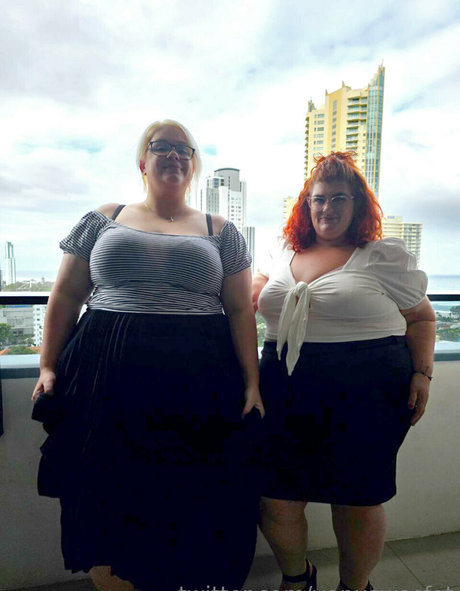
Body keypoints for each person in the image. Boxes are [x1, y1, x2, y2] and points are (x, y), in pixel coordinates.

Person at [32, 119, 264, 591]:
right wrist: (47, 365)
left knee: (191, 492)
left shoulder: (221, 230)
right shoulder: (105, 217)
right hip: (105, 377)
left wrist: (252, 383)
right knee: (104, 489)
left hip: (198, 379)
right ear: (143, 161)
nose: (174, 155)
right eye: (162, 147)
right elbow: (66, 296)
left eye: (184, 149)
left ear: (194, 165)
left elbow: (241, 310)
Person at [252, 152, 435, 591]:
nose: (327, 208)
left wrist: (422, 374)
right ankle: (298, 578)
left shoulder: (381, 255)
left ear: (357, 205)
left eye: (339, 198)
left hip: (367, 395)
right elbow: (250, 300)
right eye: (318, 199)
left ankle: (354, 587)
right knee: (276, 498)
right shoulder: (281, 250)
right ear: (306, 205)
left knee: (356, 501)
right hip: (282, 389)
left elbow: (422, 318)